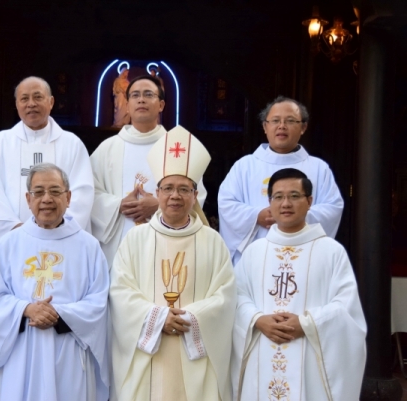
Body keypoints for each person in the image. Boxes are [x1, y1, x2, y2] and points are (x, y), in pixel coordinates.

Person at [110, 126, 236, 401]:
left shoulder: (212, 241)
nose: (175, 196)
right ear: (157, 193)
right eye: (168, 188)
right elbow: (120, 291)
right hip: (148, 357)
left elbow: (225, 296)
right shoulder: (136, 238)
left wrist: (191, 319)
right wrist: (157, 319)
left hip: (196, 356)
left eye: (183, 189)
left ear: (195, 195)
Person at [0, 163, 110, 401]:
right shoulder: (9, 243)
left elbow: (98, 302)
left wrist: (59, 313)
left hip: (67, 349)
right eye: (38, 192)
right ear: (28, 199)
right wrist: (26, 309)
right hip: (19, 350)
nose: (47, 199)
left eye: (55, 191)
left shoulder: (88, 246)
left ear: (68, 198)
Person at [231, 168, 366, 400]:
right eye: (278, 197)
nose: (286, 203)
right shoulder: (254, 252)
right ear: (270, 202)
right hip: (261, 353)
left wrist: (307, 323)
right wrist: (258, 320)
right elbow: (236, 297)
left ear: (309, 201)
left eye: (294, 196)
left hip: (310, 358)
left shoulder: (332, 251)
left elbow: (346, 309)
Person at [0, 76, 94, 283]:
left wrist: (53, 230)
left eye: (38, 97)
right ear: (16, 104)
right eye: (24, 98)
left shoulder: (72, 145)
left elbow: (82, 195)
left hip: (60, 243)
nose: (31, 104)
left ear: (51, 102)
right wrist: (21, 232)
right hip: (10, 243)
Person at [91, 75, 207, 267]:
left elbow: (196, 195)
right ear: (127, 105)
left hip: (168, 243)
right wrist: (118, 205)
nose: (141, 100)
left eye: (148, 94)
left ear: (161, 105)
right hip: (119, 244)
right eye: (135, 95)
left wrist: (162, 206)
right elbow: (89, 193)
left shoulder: (178, 147)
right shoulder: (107, 149)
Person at [218, 96, 344, 265]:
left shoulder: (319, 168)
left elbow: (332, 207)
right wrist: (256, 216)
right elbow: (226, 203)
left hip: (303, 259)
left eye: (290, 121)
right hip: (256, 260)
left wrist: (295, 216)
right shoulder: (245, 166)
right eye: (275, 120)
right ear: (265, 127)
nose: (282, 126)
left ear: (303, 127)